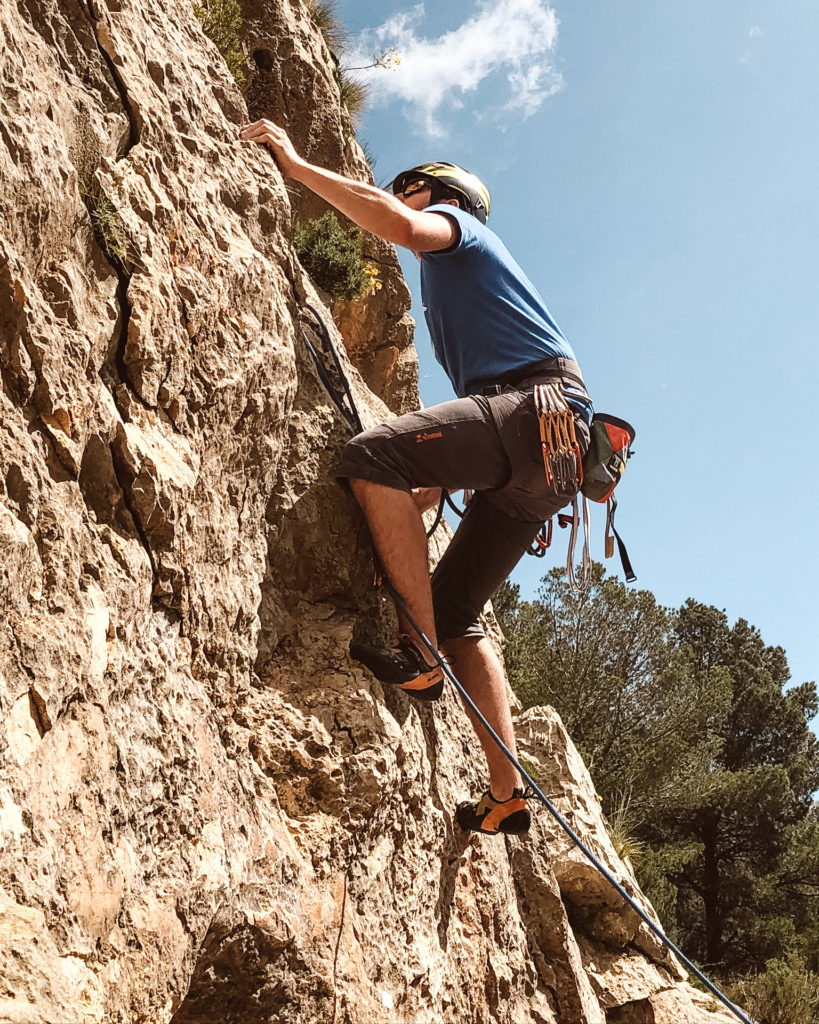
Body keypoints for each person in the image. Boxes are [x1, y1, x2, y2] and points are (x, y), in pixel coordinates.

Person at [240, 119, 593, 836]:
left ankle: (418, 658)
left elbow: (401, 224)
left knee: (373, 455)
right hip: (551, 453)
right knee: (459, 610)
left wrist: (296, 163)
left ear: (441, 195)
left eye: (408, 188)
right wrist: (439, 480)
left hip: (531, 409)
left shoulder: (456, 228)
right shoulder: (461, 289)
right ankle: (505, 797)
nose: (394, 196)